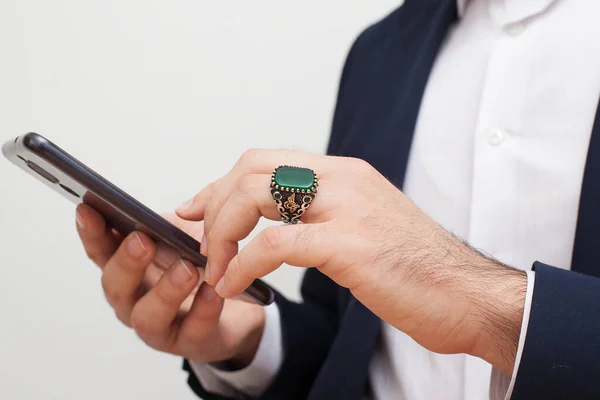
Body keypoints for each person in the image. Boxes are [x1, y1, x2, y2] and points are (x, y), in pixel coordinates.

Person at [75, 0, 600, 399]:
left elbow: (444, 288)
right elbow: (349, 333)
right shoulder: (380, 54)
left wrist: (486, 305)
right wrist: (247, 337)